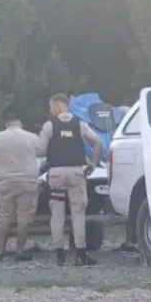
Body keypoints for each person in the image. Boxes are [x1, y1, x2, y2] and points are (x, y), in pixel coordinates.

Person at [36, 93, 102, 266]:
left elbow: (40, 150)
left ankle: (59, 254)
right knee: (78, 212)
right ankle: (81, 253)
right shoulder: (80, 125)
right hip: (76, 172)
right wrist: (93, 164)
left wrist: (54, 147)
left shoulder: (49, 126)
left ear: (58, 106)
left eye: (51, 106)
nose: (50, 110)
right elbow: (97, 142)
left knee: (57, 213)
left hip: (56, 173)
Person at [0, 108, 40, 262]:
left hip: (6, 180)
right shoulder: (32, 137)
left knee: (4, 217)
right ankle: (20, 251)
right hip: (28, 181)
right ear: (20, 123)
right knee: (24, 217)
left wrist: (0, 169)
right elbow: (41, 154)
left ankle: (0, 251)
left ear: (6, 124)